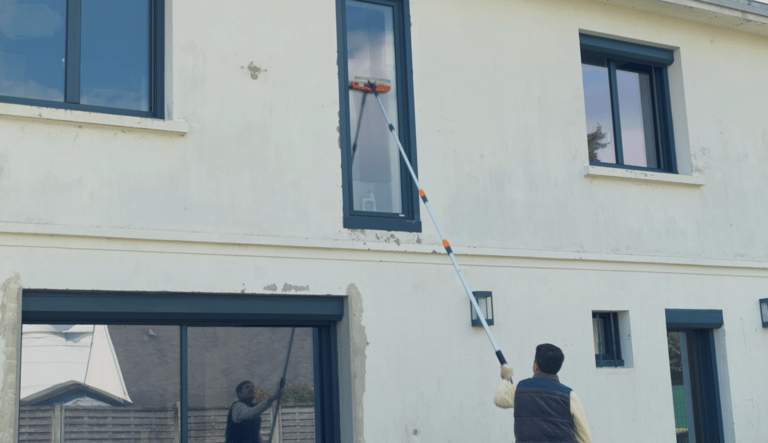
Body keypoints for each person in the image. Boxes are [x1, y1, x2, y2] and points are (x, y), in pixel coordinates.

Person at [493, 343, 593, 443]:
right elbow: (585, 439)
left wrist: (505, 379)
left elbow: (499, 399)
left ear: (536, 365)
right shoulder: (570, 396)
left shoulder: (519, 388)